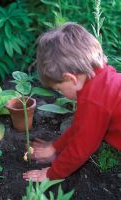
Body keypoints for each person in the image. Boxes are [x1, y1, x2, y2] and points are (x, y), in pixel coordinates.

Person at [23, 22, 121, 182]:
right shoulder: (103, 80)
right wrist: (56, 147)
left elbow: (80, 149)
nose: (60, 93)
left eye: (60, 89)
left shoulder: (94, 101)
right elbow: (81, 126)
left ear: (70, 78)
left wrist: (51, 174)